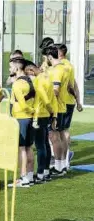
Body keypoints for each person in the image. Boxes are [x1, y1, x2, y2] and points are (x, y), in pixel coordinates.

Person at [26, 61, 57, 183]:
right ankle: (46, 171)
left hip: (39, 115)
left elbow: (44, 98)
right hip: (45, 115)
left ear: (31, 71)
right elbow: (52, 97)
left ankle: (39, 174)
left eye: (29, 75)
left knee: (40, 145)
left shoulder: (39, 80)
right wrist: (53, 114)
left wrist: (50, 110)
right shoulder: (47, 77)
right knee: (44, 143)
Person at [7, 58, 36, 188]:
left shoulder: (17, 84)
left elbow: (22, 105)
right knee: (28, 147)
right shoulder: (30, 80)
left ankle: (23, 177)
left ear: (17, 68)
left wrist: (31, 110)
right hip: (28, 118)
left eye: (11, 67)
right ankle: (29, 175)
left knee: (21, 149)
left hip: (21, 118)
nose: (9, 69)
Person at [55, 44, 84, 168]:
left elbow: (69, 86)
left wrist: (78, 100)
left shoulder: (62, 67)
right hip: (69, 102)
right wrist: (78, 101)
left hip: (62, 102)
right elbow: (74, 84)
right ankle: (64, 160)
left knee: (59, 132)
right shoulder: (70, 65)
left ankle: (61, 160)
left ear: (59, 53)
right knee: (63, 131)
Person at [45, 46, 69, 176]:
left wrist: (43, 96)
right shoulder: (63, 68)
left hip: (56, 108)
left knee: (54, 137)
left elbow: (55, 90)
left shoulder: (57, 71)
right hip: (62, 106)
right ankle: (63, 164)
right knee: (60, 135)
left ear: (49, 57)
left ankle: (59, 167)